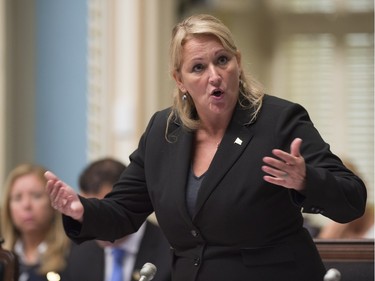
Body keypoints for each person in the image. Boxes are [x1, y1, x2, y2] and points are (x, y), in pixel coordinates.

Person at [44, 14, 367, 281]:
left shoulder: (278, 121)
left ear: (237, 63)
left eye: (222, 61)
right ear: (180, 80)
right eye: (198, 67)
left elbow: (352, 199)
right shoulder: (163, 131)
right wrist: (82, 210)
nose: (215, 76)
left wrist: (306, 179)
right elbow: (125, 211)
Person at [64, 157, 171, 281]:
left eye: (103, 211)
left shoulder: (170, 249)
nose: (95, 222)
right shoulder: (78, 252)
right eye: (89, 212)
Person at [0, 163, 70, 281]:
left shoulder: (73, 253)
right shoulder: (4, 259)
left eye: (36, 196)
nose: (26, 205)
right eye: (18, 197)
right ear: (8, 208)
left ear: (53, 203)